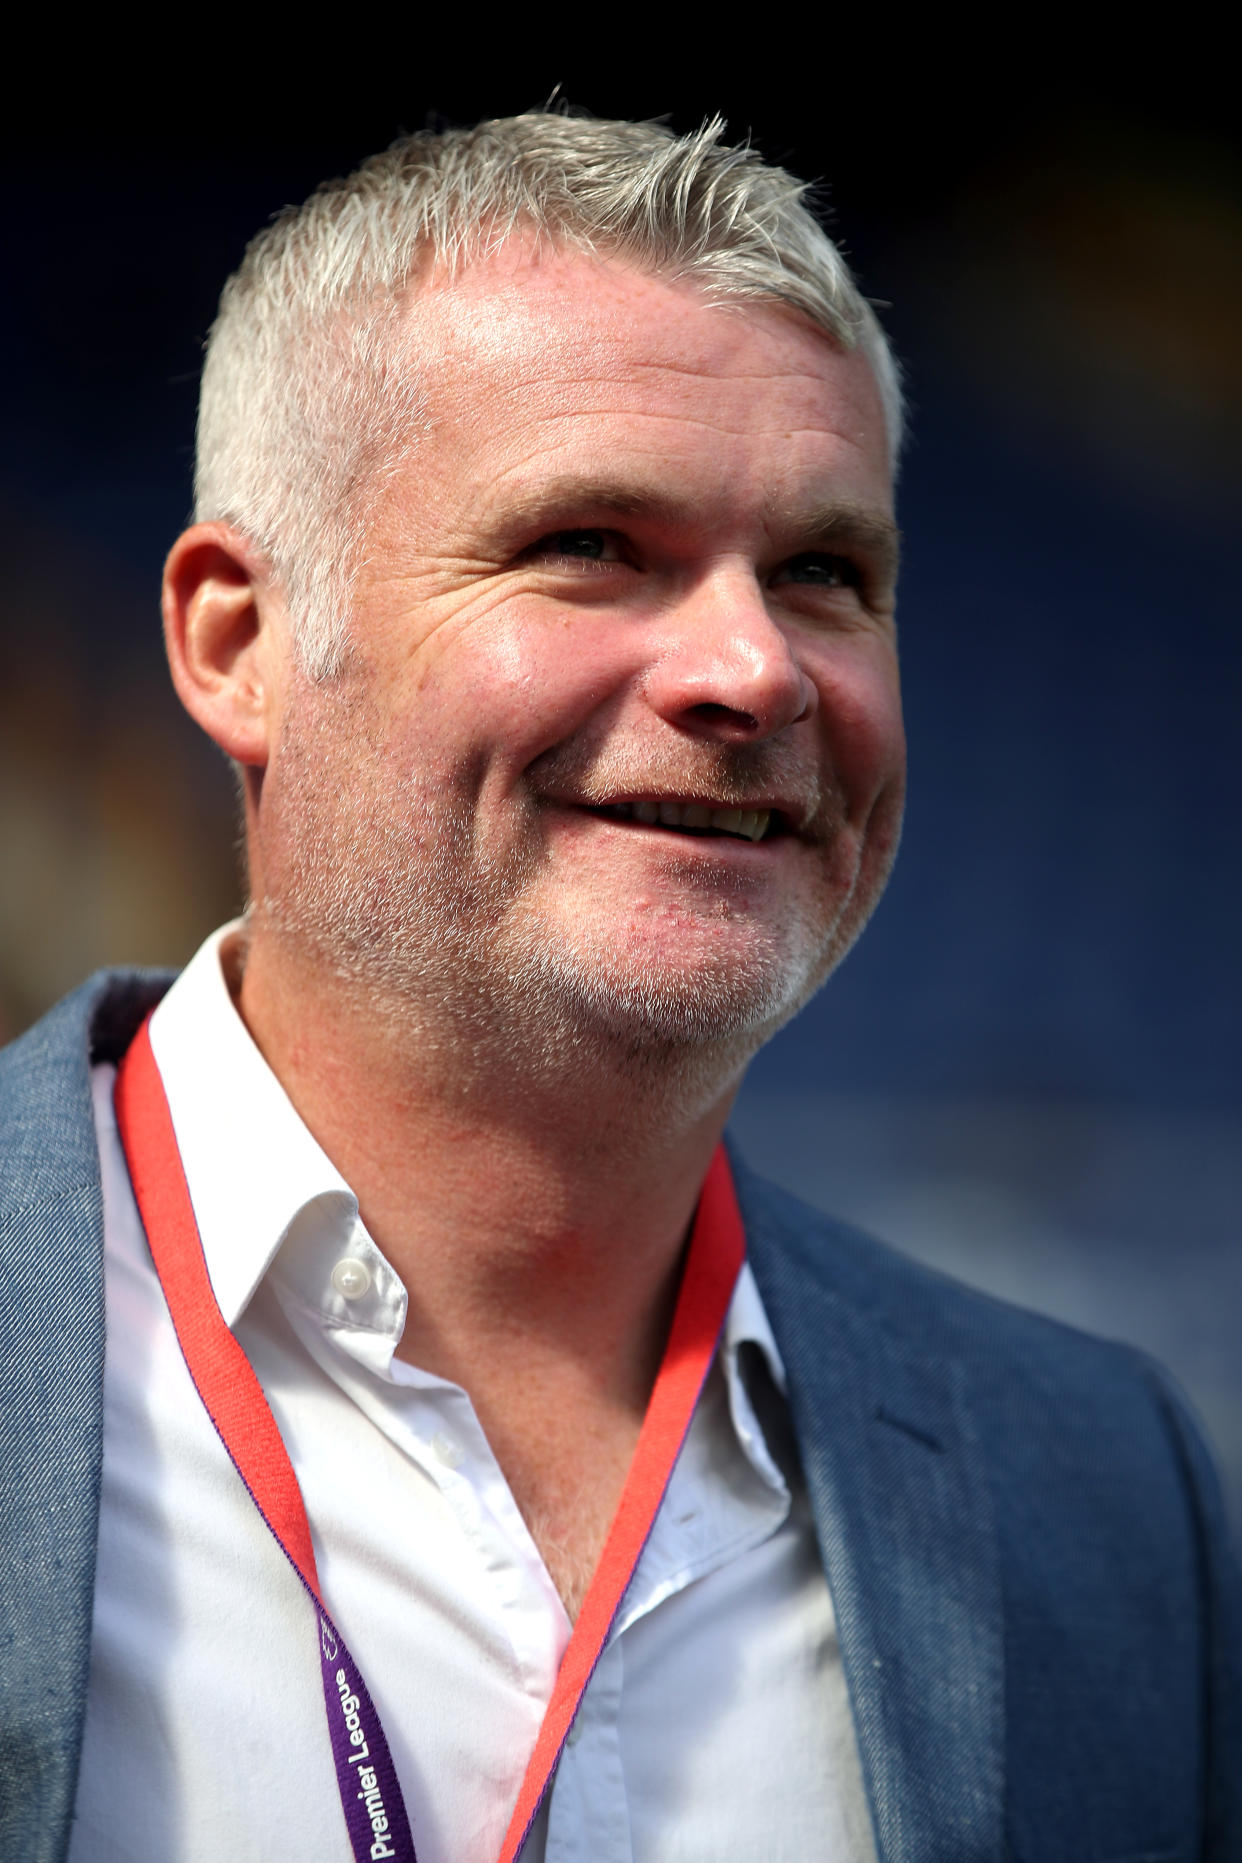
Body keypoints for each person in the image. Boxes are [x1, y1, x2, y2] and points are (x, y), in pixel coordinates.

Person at [1, 110, 1238, 1863]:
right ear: (237, 642)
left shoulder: (1103, 1490)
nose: (753, 670)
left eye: (825, 572)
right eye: (590, 543)